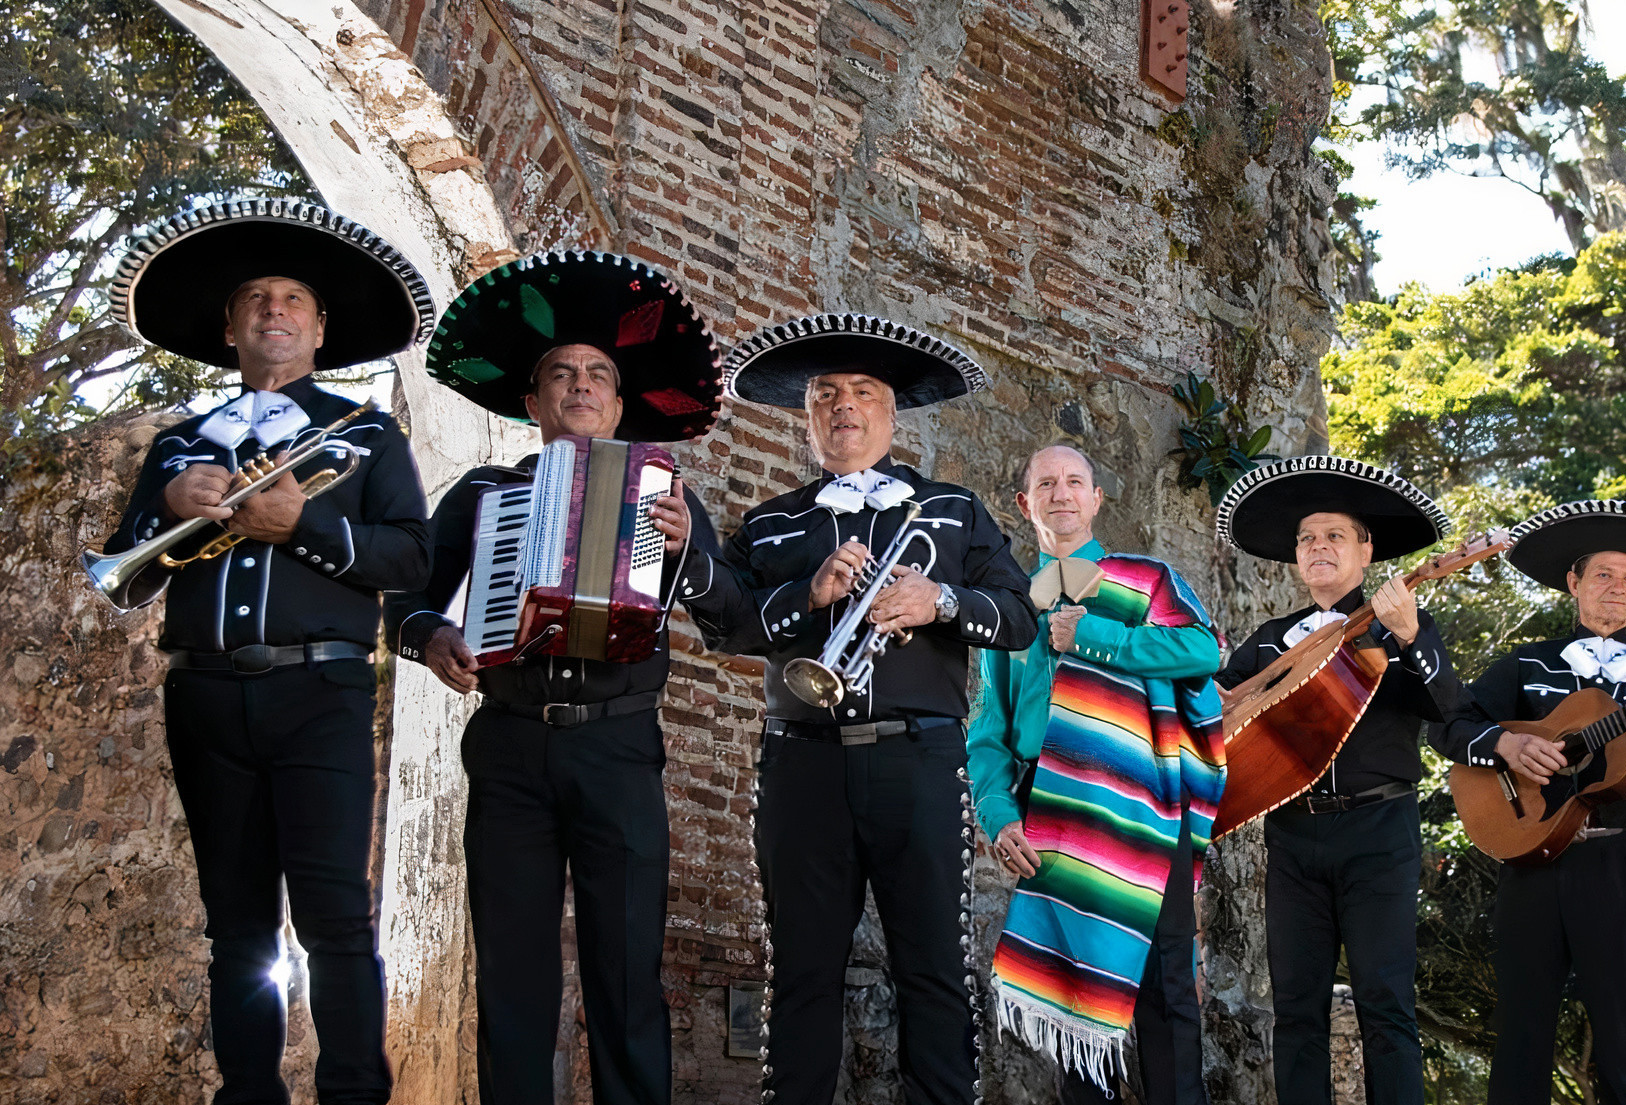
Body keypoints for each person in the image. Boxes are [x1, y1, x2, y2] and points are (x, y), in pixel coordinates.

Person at [101, 198, 435, 1105]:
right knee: (236, 927)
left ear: (320, 328)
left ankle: (355, 1092)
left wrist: (305, 522)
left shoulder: (366, 434)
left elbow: (411, 554)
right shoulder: (180, 444)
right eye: (256, 299)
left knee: (335, 915)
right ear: (230, 326)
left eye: (292, 299)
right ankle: (247, 1093)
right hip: (203, 699)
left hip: (320, 690)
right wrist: (169, 506)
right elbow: (125, 577)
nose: (273, 312)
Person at [385, 250, 735, 1105]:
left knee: (626, 977)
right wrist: (432, 635)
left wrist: (686, 547)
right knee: (512, 980)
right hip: (507, 749)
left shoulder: (665, 494)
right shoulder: (486, 494)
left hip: (617, 748)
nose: (581, 385)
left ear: (619, 403)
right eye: (561, 374)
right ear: (534, 402)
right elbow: (406, 601)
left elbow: (725, 614)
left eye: (598, 375)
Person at [688, 313, 1038, 1105]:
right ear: (808, 414)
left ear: (891, 410)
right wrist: (809, 592)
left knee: (935, 966)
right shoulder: (774, 522)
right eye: (826, 394)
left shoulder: (950, 510)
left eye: (863, 391)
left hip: (919, 758)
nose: (844, 406)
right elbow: (727, 628)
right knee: (802, 969)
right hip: (801, 758)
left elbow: (1018, 618)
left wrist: (939, 597)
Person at [1434, 499, 1626, 1105]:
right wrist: (1509, 744)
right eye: (1603, 574)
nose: (1616, 589)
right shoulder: (1527, 663)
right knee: (1521, 1032)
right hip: (1531, 858)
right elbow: (1452, 727)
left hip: (1619, 864)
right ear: (1574, 583)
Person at [969, 444, 1224, 1105]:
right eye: (1045, 482)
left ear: (1095, 499)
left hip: (1141, 811)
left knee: (1168, 994)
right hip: (1047, 818)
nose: (1061, 492)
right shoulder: (1012, 607)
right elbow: (988, 732)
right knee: (1072, 995)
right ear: (1024, 504)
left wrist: (1092, 637)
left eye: (1074, 481)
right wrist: (998, 815)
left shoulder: (1144, 581)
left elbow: (1201, 648)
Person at [1210, 455, 1465, 1105]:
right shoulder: (1268, 642)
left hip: (1380, 830)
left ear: (1366, 549)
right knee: (1297, 1011)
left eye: (1335, 536)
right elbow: (1219, 720)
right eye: (1308, 538)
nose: (1319, 547)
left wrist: (1411, 635)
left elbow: (1450, 715)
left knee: (1386, 1005)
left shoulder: (1398, 625)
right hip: (1293, 837)